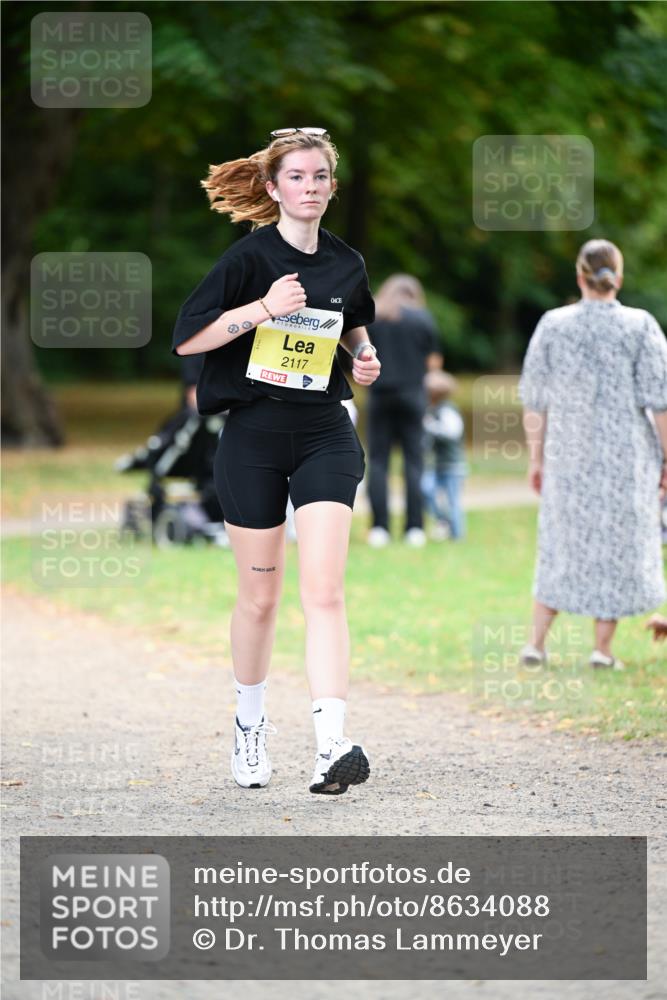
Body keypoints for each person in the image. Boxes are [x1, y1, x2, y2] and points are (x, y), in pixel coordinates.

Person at [171, 128, 381, 795]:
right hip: (253, 437)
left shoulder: (346, 262)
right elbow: (188, 340)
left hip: (324, 431)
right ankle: (249, 724)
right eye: (297, 177)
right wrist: (263, 308)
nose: (311, 188)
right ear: (272, 187)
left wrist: (366, 358)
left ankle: (330, 743)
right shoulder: (246, 259)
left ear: (332, 186)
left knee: (324, 590)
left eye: (320, 177)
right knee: (260, 598)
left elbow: (352, 326)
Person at [518, 239, 667, 670]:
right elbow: (659, 402)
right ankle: (602, 650)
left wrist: (536, 459)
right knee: (616, 547)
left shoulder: (553, 324)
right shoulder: (641, 326)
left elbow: (535, 399)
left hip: (569, 453)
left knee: (561, 543)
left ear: (579, 277)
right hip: (627, 456)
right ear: (617, 278)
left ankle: (536, 643)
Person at [366, 275, 443, 548]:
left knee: (378, 462)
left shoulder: (375, 316)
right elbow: (433, 361)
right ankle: (414, 528)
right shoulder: (422, 318)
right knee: (414, 462)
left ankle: (379, 528)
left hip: (379, 395)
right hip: (413, 395)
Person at [421, 370, 468, 541]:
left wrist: (431, 426)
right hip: (437, 465)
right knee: (425, 489)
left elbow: (452, 432)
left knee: (454, 501)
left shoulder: (448, 410)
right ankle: (444, 520)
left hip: (454, 466)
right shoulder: (432, 410)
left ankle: (457, 536)